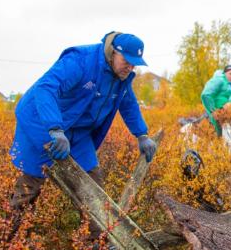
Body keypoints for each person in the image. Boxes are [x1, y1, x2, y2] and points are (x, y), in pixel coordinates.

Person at [9, 32, 157, 235]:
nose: (130, 67)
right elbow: (46, 88)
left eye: (134, 63)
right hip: (41, 121)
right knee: (32, 181)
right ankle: (11, 241)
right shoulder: (80, 61)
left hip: (77, 130)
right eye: (127, 61)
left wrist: (142, 134)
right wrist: (54, 128)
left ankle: (99, 243)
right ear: (113, 52)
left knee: (92, 184)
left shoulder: (120, 77)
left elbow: (128, 102)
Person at [201, 64, 231, 136]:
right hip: (216, 113)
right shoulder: (218, 80)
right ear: (225, 73)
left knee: (229, 136)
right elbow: (206, 95)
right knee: (218, 135)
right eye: (230, 74)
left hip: (227, 114)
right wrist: (213, 111)